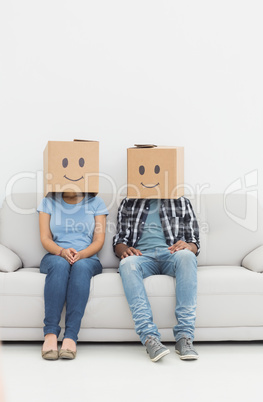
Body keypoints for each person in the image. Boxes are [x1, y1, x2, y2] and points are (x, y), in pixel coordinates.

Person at [113, 197, 200, 362]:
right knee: (126, 263)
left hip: (172, 253)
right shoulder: (128, 202)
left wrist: (189, 247)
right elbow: (119, 241)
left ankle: (184, 337)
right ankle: (149, 338)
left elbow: (194, 241)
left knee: (187, 257)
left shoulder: (182, 202)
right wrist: (125, 250)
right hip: (141, 256)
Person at [38, 191, 108, 360]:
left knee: (81, 267)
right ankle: (50, 334)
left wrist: (81, 255)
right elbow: (45, 238)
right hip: (56, 256)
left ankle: (70, 336)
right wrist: (62, 252)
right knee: (60, 264)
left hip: (86, 258)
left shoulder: (96, 202)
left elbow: (99, 240)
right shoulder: (48, 201)